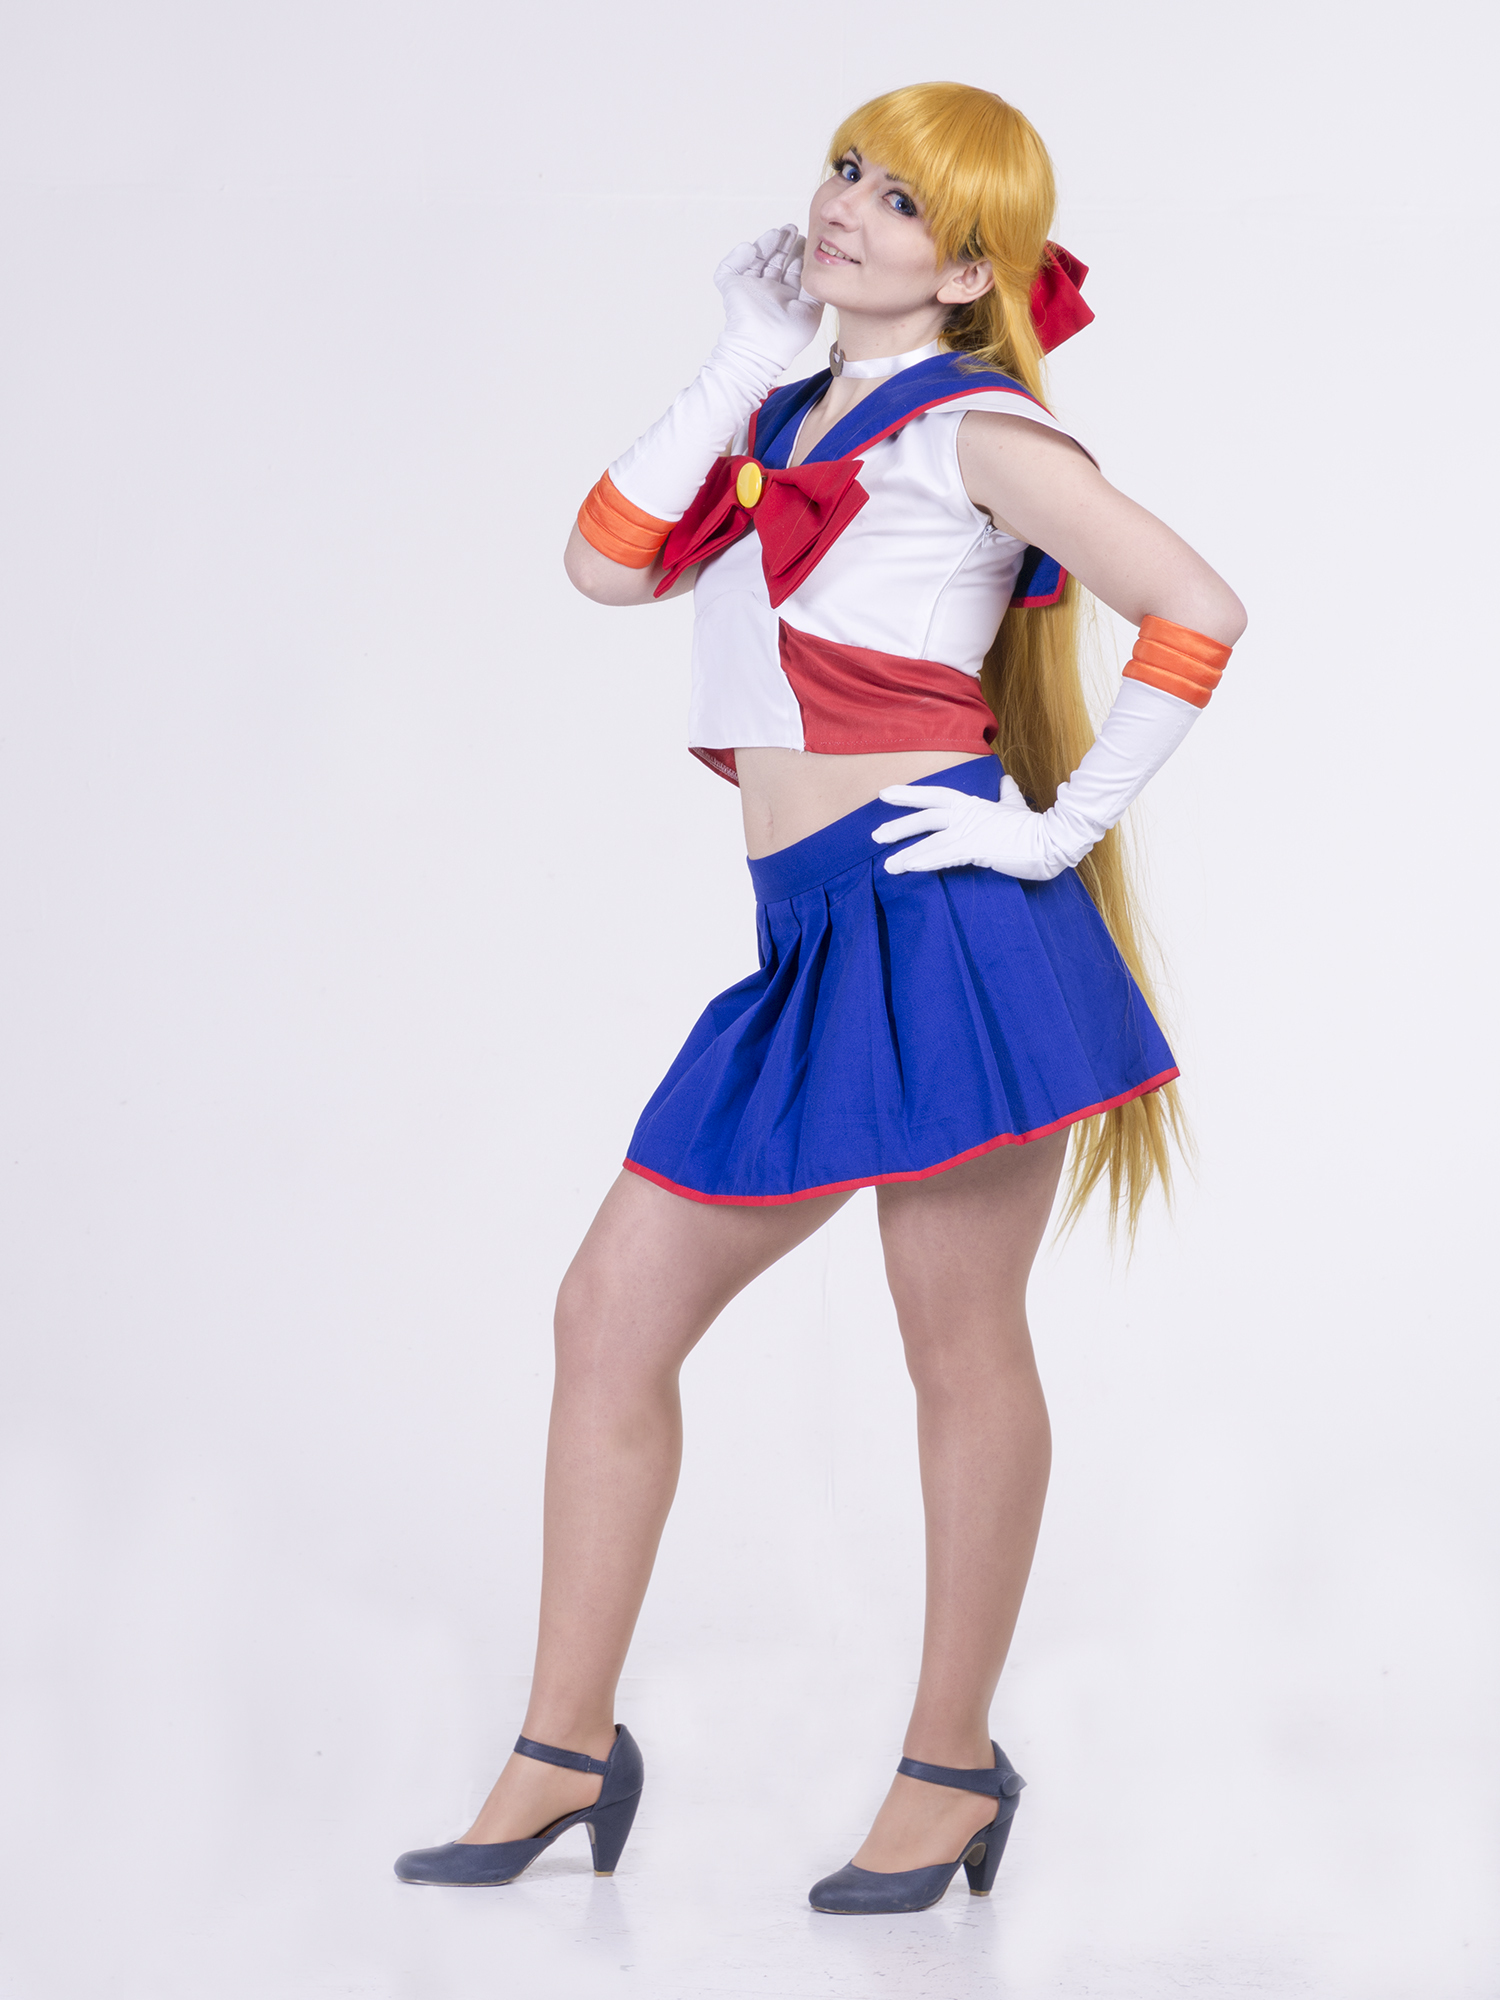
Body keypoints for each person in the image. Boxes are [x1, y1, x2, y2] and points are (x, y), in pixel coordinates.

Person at [394, 80, 1246, 1915]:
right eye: (847, 170)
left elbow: (1197, 605)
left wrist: (1055, 833)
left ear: (972, 270)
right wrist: (739, 350)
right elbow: (601, 565)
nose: (851, 204)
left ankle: (949, 1770)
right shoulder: (780, 423)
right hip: (806, 944)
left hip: (947, 937)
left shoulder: (983, 430)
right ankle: (565, 1748)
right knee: (609, 1316)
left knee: (956, 1347)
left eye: (905, 199)